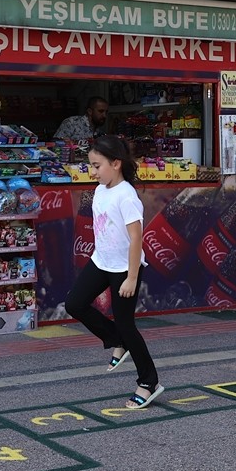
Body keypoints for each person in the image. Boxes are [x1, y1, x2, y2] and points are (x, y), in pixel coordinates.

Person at [64, 134, 163, 409]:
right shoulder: (100, 191)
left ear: (116, 163)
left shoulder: (127, 196)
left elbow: (136, 239)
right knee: (74, 303)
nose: (93, 172)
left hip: (124, 269)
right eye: (91, 166)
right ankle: (114, 339)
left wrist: (132, 277)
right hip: (101, 262)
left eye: (97, 166)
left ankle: (148, 382)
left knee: (126, 324)